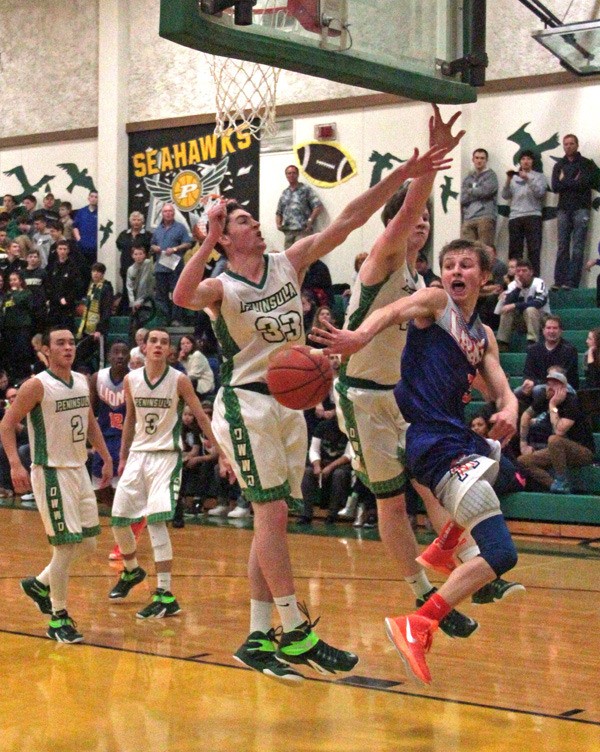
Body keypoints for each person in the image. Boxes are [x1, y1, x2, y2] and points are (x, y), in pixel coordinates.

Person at [173, 140, 452, 681]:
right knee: (272, 516)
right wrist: (206, 236)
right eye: (245, 220)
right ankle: (295, 631)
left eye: (254, 218)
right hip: (247, 402)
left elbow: (348, 219)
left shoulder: (286, 263)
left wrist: (402, 173)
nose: (257, 225)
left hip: (289, 405)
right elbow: (183, 295)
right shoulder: (219, 285)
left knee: (268, 518)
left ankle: (258, 638)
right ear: (225, 237)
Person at [311, 239, 522, 685]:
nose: (455, 271)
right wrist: (357, 338)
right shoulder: (436, 301)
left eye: (466, 264)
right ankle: (419, 623)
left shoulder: (481, 335)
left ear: (484, 279)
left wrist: (509, 409)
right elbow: (393, 312)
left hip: (456, 439)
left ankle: (445, 544)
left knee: (499, 460)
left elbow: (500, 385)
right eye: (449, 264)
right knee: (501, 552)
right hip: (430, 441)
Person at [332, 105, 478, 640]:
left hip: (400, 396)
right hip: (363, 396)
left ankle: (468, 569)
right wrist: (429, 164)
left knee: (433, 483)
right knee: (391, 502)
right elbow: (405, 210)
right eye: (412, 217)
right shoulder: (381, 258)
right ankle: (421, 595)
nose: (421, 224)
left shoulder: (419, 279)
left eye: (426, 221)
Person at [0, 328, 113, 643]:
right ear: (46, 350)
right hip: (51, 471)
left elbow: (90, 422)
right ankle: (58, 617)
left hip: (78, 470)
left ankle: (39, 584)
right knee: (64, 547)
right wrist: (14, 464)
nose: (67, 347)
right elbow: (6, 425)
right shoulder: (36, 385)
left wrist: (105, 456)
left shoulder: (80, 380)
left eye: (70, 343)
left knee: (88, 544)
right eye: (60, 343)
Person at [107, 328, 228, 619]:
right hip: (138, 455)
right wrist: (123, 456)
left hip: (165, 457)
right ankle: (132, 571)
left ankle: (165, 594)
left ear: (170, 351)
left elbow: (200, 415)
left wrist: (222, 453)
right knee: (119, 520)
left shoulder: (179, 380)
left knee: (157, 523)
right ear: (145, 348)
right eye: (154, 341)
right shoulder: (131, 380)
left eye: (164, 342)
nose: (159, 346)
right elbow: (130, 419)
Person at [89, 341, 148, 561]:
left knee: (123, 488)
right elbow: (90, 412)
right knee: (100, 488)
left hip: (126, 440)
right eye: (116, 352)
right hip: (104, 439)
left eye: (124, 352)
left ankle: (125, 533)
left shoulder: (136, 379)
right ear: (110, 356)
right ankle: (131, 520)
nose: (120, 356)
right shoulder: (97, 378)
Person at [518, 367, 595, 494]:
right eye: (548, 384)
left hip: (582, 450)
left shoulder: (572, 401)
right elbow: (526, 415)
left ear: (563, 387)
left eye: (554, 385)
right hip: (557, 449)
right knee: (523, 461)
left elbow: (559, 431)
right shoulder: (546, 397)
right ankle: (555, 485)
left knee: (554, 440)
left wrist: (553, 406)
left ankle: (561, 480)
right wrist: (523, 443)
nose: (549, 387)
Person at [551, 134, 594, 290]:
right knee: (562, 246)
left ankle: (572, 283)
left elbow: (585, 183)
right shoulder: (558, 165)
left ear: (577, 145)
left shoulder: (586, 164)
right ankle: (558, 281)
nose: (568, 146)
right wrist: (573, 180)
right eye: (565, 144)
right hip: (563, 209)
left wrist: (565, 181)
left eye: (571, 143)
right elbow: (555, 187)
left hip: (581, 208)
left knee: (577, 247)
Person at [501, 149, 548, 276]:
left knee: (534, 251)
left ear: (532, 161)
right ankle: (515, 281)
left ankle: (535, 281)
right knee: (515, 252)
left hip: (533, 215)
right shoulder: (514, 177)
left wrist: (527, 178)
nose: (525, 161)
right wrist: (508, 179)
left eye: (528, 159)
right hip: (515, 217)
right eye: (523, 159)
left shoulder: (539, 176)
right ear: (520, 162)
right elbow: (505, 195)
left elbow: (540, 193)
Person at [299, 414, 352, 525]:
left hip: (340, 465)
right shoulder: (323, 426)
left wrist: (330, 467)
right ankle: (306, 514)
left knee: (339, 474)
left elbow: (348, 455)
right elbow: (313, 450)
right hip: (322, 462)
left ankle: (332, 514)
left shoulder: (350, 428)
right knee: (308, 472)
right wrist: (317, 466)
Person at [515, 315, 579, 405]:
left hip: (562, 387)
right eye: (548, 328)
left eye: (555, 328)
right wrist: (528, 381)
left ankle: (540, 417)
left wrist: (535, 383)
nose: (551, 331)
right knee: (518, 392)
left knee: (538, 391)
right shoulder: (534, 349)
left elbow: (561, 377)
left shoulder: (569, 350)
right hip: (538, 384)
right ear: (543, 330)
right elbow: (528, 372)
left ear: (561, 331)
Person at [495, 258, 550, 350]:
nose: (521, 273)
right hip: (521, 321)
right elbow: (506, 304)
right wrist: (518, 289)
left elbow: (539, 302)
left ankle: (532, 342)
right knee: (507, 310)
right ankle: (502, 343)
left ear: (531, 272)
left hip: (541, 320)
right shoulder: (513, 284)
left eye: (524, 271)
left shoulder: (538, 282)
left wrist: (515, 305)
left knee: (530, 309)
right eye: (518, 271)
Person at [150, 204, 192, 324]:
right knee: (160, 295)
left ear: (174, 213)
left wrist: (174, 249)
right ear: (162, 214)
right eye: (165, 211)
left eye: (170, 211)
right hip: (160, 267)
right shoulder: (157, 229)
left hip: (175, 267)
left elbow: (188, 244)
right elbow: (152, 245)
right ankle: (164, 319)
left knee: (176, 293)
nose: (168, 213)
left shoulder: (180, 228)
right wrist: (155, 247)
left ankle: (176, 319)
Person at [275, 164, 323, 250]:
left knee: (301, 256)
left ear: (297, 174)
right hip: (288, 231)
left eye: (293, 173)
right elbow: (279, 211)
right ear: (286, 175)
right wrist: (278, 224)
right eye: (289, 173)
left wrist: (310, 220)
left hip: (302, 230)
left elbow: (318, 206)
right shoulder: (285, 192)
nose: (291, 175)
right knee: (288, 258)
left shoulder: (305, 189)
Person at [76, 262, 114, 369]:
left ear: (103, 274)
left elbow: (106, 310)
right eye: (94, 271)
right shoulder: (91, 286)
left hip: (98, 329)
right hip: (87, 328)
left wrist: (100, 329)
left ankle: (100, 374)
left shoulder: (106, 288)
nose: (95, 274)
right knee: (82, 354)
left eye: (98, 272)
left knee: (100, 356)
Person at [460, 148, 498, 246]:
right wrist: (478, 193)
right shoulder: (468, 178)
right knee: (467, 249)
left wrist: (470, 191)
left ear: (486, 160)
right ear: (473, 159)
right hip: (468, 218)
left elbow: (487, 191)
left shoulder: (491, 176)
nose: (479, 160)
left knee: (484, 251)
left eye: (482, 158)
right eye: (477, 158)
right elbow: (463, 198)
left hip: (485, 216)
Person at [1, 271, 34, 381]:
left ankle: (25, 376)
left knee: (22, 352)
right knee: (11, 353)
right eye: (10, 280)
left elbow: (25, 305)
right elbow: (4, 307)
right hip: (9, 327)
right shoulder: (7, 294)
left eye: (15, 279)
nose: (12, 282)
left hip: (22, 327)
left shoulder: (27, 293)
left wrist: (14, 295)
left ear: (20, 280)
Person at [117, 211, 152, 310]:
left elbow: (150, 251)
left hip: (142, 270)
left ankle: (142, 311)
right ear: (130, 221)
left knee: (141, 291)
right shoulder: (123, 234)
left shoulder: (148, 235)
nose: (136, 222)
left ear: (143, 221)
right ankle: (127, 312)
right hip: (126, 268)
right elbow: (119, 247)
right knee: (127, 290)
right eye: (134, 220)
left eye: (139, 220)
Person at [72, 190, 99, 273]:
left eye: (96, 197)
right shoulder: (81, 212)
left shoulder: (101, 212)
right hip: (82, 246)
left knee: (94, 271)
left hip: (95, 248)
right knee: (82, 271)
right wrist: (79, 239)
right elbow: (75, 226)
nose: (93, 199)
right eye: (92, 196)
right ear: (88, 198)